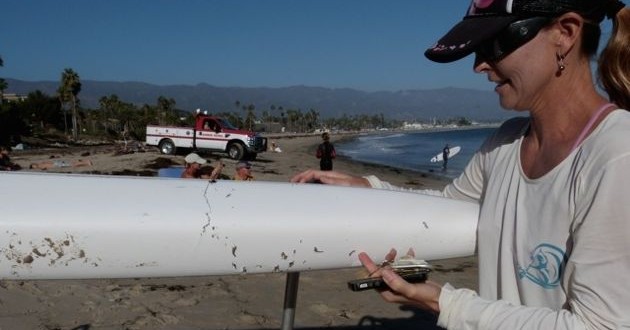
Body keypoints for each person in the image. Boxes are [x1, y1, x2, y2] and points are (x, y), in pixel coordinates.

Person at [292, 0, 630, 328]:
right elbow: (451, 206)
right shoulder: (506, 142)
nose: (478, 65)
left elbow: (602, 324)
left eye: (493, 45)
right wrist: (368, 188)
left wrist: (444, 303)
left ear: (566, 32)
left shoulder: (616, 153)